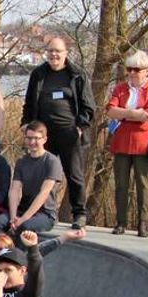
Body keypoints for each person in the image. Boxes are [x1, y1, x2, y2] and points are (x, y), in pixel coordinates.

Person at [21, 38, 96, 229]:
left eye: (58, 51)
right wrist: (25, 123)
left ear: (65, 53)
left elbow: (89, 106)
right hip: (43, 136)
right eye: (50, 51)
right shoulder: (39, 74)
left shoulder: (77, 74)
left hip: (69, 133)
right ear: (46, 53)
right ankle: (46, 213)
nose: (54, 55)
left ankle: (79, 214)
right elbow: (29, 102)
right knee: (44, 175)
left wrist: (80, 127)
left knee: (74, 175)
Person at [107, 50, 148, 237]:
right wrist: (135, 113)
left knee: (143, 184)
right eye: (129, 69)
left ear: (147, 71)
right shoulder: (121, 88)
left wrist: (124, 112)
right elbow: (110, 110)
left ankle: (143, 223)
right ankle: (120, 222)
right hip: (121, 141)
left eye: (136, 70)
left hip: (143, 143)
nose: (132, 73)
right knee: (121, 184)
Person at [0, 121, 65, 238]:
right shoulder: (22, 162)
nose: (32, 142)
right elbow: (14, 190)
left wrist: (23, 219)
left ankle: (16, 256)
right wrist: (13, 217)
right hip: (22, 209)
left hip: (45, 214)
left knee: (24, 226)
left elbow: (43, 193)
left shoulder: (52, 162)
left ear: (44, 139)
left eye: (36, 138)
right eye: (29, 138)